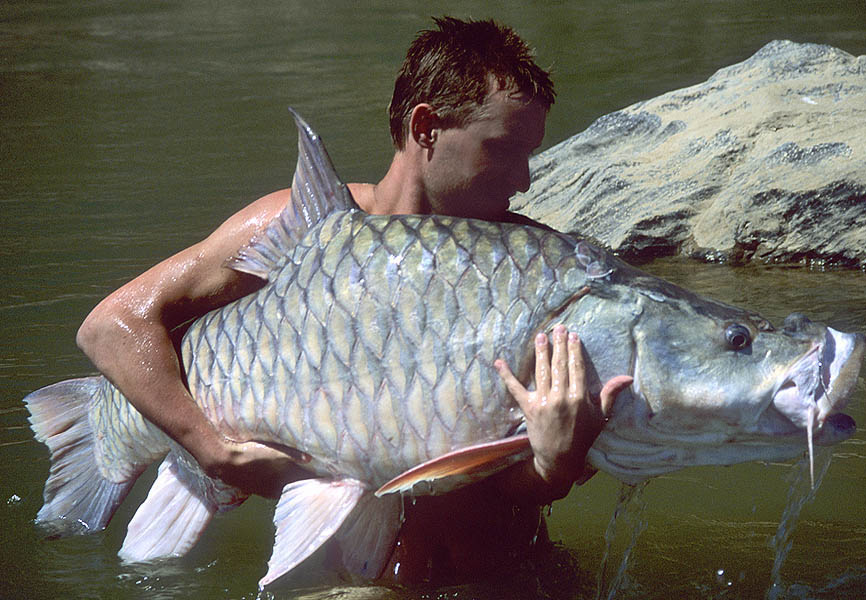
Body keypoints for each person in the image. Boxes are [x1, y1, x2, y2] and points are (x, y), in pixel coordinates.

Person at [76, 16, 631, 585]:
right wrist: (213, 451)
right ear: (426, 128)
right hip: (354, 584)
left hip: (508, 576)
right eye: (504, 149)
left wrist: (555, 464)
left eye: (528, 154)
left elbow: (507, 475)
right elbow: (112, 328)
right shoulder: (296, 226)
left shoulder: (526, 267)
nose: (524, 178)